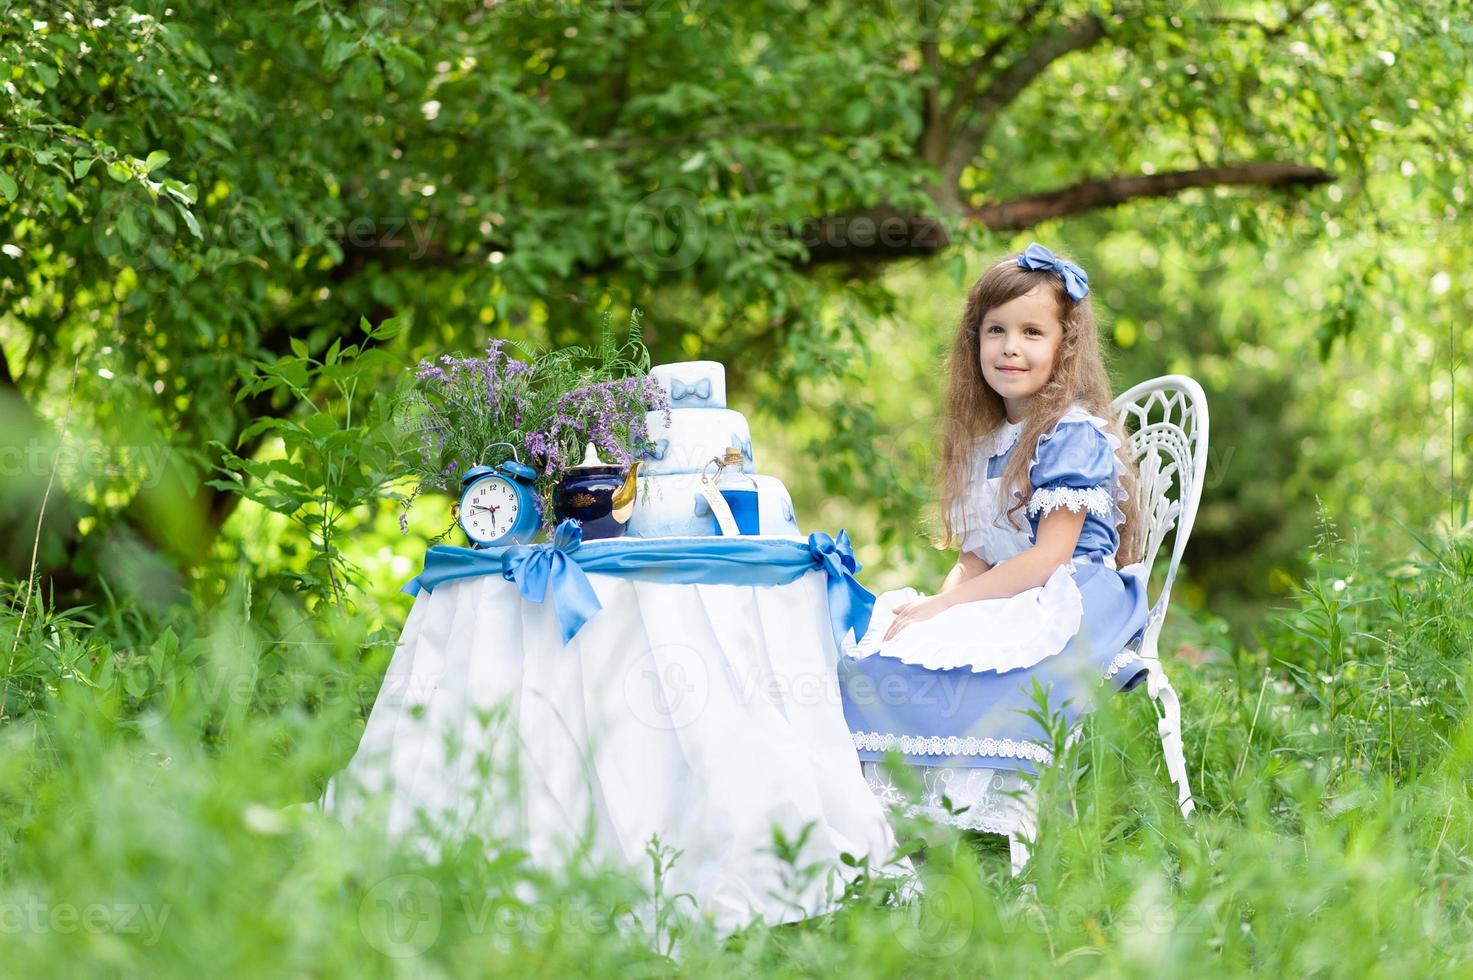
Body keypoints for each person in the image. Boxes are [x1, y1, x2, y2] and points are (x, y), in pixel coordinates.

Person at [839, 242, 1152, 835]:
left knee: (983, 660)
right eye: (996, 330)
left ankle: (998, 815)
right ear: (974, 342)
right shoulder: (983, 441)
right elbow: (976, 559)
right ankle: (899, 823)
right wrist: (937, 610)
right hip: (1010, 590)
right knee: (886, 654)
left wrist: (949, 607)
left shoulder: (1070, 434)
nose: (1011, 346)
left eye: (1033, 331)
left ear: (1065, 345)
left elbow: (1049, 557)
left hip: (1071, 596)